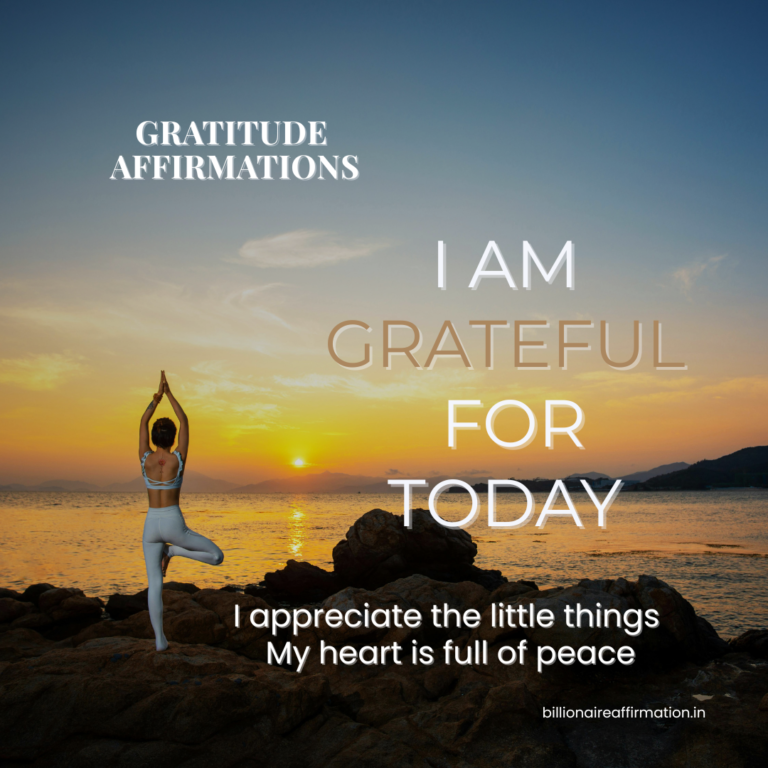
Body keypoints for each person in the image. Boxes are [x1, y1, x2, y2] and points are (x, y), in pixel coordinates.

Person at [139, 371, 224, 651]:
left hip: (152, 524)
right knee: (216, 557)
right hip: (174, 523)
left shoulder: (145, 459)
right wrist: (170, 393)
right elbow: (184, 420)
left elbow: (142, 421)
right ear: (173, 437)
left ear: (153, 436)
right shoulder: (178, 458)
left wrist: (156, 399)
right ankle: (174, 551)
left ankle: (160, 642)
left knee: (154, 584)